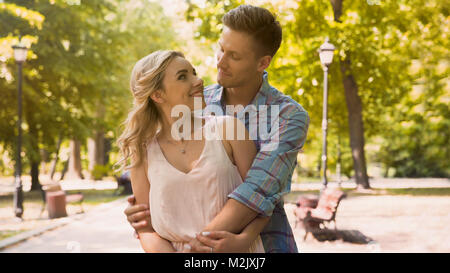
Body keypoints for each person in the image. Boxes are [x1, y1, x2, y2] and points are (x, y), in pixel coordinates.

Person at [124, 5, 309, 253]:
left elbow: (257, 190)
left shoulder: (288, 116)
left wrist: (202, 250)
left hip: (263, 245)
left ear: (262, 63)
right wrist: (147, 217)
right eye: (221, 49)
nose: (220, 61)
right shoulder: (196, 100)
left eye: (234, 56)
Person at [117, 50, 267, 252]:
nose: (198, 80)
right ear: (157, 94)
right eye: (183, 76)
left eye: (194, 72)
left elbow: (262, 197)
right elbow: (147, 229)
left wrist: (244, 239)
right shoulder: (143, 152)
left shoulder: (228, 129)